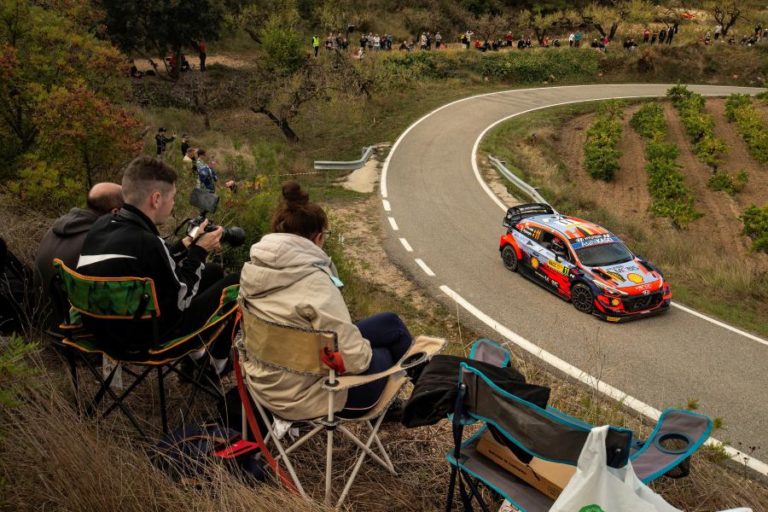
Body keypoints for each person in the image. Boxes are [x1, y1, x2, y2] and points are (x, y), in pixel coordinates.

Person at [239, 181, 413, 420]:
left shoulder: (251, 271)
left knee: (389, 322)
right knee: (385, 352)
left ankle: (429, 394)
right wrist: (364, 346)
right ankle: (429, 400)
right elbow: (356, 361)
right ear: (319, 237)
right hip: (313, 396)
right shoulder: (315, 283)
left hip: (264, 384)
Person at [76, 156, 238, 367]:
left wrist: (187, 243)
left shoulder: (102, 226)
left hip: (103, 334)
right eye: (173, 198)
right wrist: (199, 251)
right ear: (156, 199)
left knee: (213, 272)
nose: (173, 204)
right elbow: (182, 299)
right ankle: (216, 366)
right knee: (238, 280)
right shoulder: (148, 243)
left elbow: (152, 262)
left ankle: (199, 363)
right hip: (148, 342)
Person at [34, 183, 123, 327]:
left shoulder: (53, 231)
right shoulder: (97, 243)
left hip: (47, 323)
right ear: (115, 212)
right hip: (74, 331)